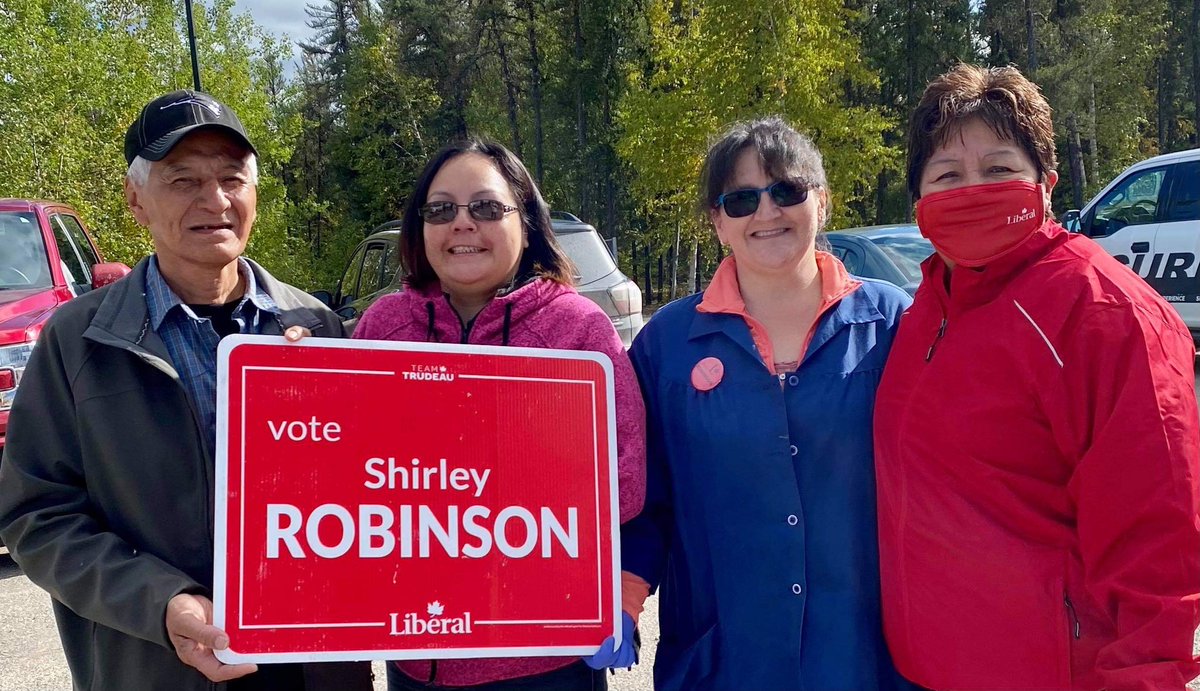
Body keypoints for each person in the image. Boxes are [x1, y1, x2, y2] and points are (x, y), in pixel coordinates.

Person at [0, 90, 371, 691]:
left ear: (254, 194)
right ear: (135, 200)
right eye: (183, 180)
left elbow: (388, 490)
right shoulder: (78, 340)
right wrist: (162, 603)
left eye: (232, 178)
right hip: (155, 663)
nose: (214, 200)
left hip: (311, 667)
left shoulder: (322, 329)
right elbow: (36, 516)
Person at [874, 64, 1200, 691]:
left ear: (1046, 183)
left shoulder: (1105, 316)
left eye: (999, 169)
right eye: (947, 175)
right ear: (919, 203)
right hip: (927, 672)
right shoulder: (925, 311)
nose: (972, 190)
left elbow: (1157, 551)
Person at [619, 117, 914, 690]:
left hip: (866, 658)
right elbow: (643, 495)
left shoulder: (892, 323)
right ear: (717, 222)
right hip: (724, 659)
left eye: (787, 191)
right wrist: (625, 597)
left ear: (822, 202)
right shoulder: (667, 345)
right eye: (741, 199)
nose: (767, 212)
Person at [349, 136, 647, 690]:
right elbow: (338, 477)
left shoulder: (576, 332)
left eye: (486, 207)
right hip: (421, 655)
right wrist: (292, 383)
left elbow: (626, 488)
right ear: (420, 228)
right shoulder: (384, 327)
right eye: (440, 210)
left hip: (544, 656)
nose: (462, 224)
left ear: (526, 221)